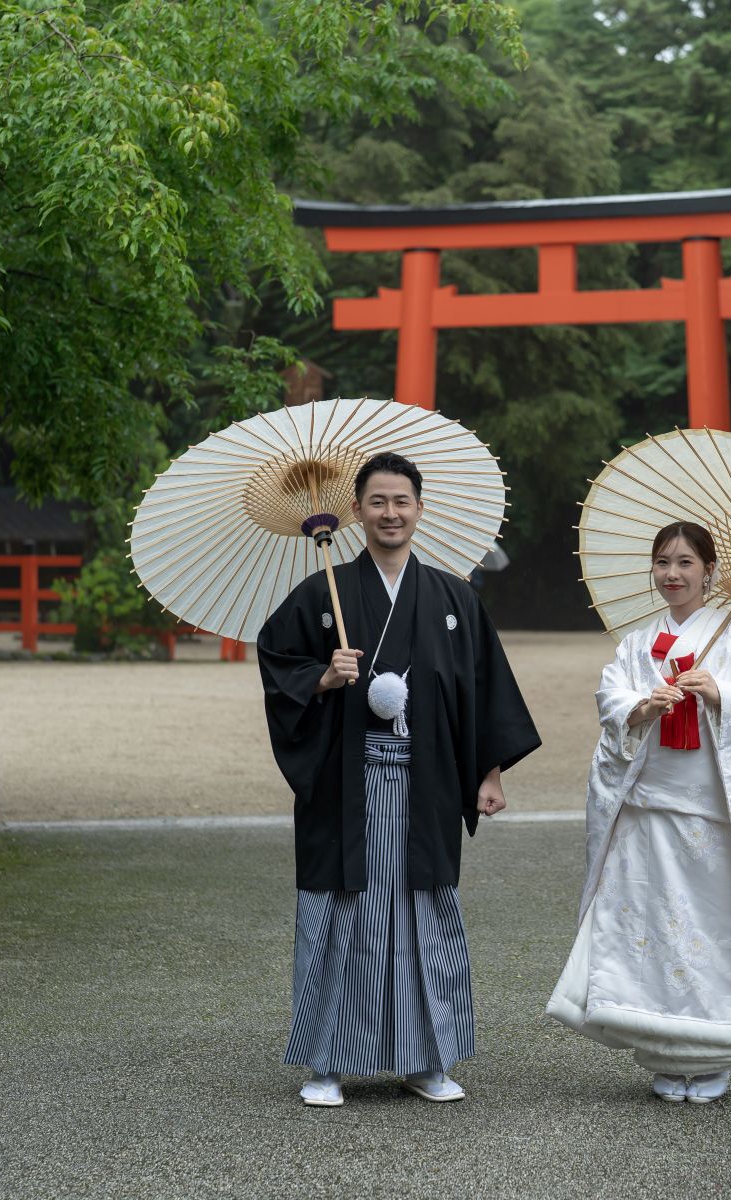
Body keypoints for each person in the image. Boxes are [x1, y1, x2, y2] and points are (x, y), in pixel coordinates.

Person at [257, 451, 541, 1108]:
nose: (391, 513)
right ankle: (326, 1063)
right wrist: (324, 677)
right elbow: (278, 661)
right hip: (345, 788)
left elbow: (483, 691)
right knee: (341, 917)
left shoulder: (452, 600)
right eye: (378, 501)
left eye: (402, 501)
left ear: (419, 508)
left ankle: (425, 1059)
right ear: (356, 511)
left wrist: (489, 771)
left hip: (427, 785)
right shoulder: (319, 595)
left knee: (421, 918)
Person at [545, 521, 731, 1103]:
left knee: (710, 931)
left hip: (709, 812)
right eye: (662, 562)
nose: (672, 574)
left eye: (685, 563)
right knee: (647, 928)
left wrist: (722, 694)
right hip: (647, 807)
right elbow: (610, 698)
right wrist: (640, 704)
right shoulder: (636, 644)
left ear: (710, 571)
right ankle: (658, 1048)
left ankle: (711, 1056)